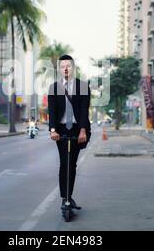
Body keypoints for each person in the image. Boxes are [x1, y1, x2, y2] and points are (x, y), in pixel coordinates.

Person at [48, 55, 91, 212]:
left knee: (72, 164)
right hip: (60, 130)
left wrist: (83, 130)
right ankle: (64, 199)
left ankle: (69, 196)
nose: (65, 68)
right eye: (62, 66)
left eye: (68, 66)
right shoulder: (54, 87)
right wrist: (52, 130)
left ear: (73, 68)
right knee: (63, 163)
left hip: (77, 129)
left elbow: (84, 110)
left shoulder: (83, 86)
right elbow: (51, 111)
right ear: (59, 69)